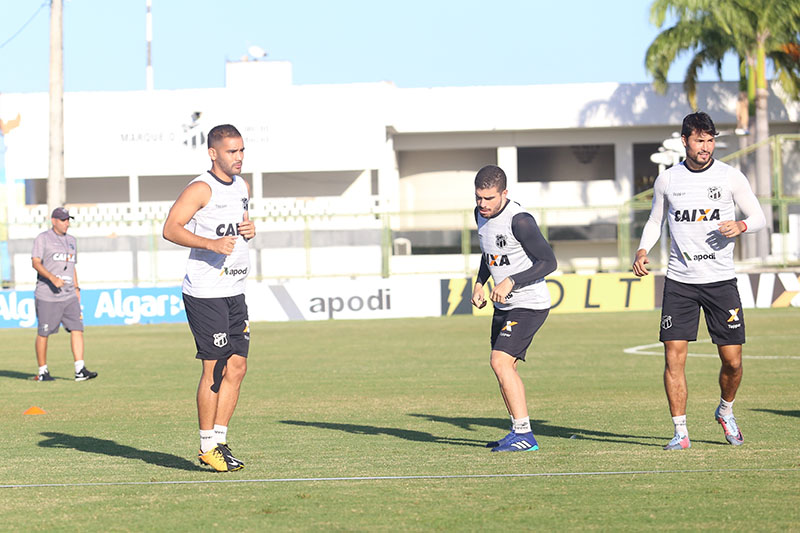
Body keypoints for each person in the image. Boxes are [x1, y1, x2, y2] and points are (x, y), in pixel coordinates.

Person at [632, 111, 766, 450]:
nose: (705, 147)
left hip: (721, 282)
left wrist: (742, 226)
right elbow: (655, 221)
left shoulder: (730, 177)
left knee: (733, 361)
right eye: (699, 140)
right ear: (685, 141)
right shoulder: (667, 181)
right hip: (679, 282)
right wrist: (642, 249)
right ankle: (680, 432)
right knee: (673, 358)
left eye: (709, 140)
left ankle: (726, 410)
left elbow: (759, 216)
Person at [163, 124, 256, 472]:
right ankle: (206, 446)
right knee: (214, 368)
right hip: (206, 293)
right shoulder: (201, 188)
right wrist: (210, 244)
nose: (239, 158)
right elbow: (171, 228)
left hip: (235, 289)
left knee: (237, 366)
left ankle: (220, 441)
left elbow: (238, 225)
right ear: (213, 153)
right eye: (232, 152)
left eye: (242, 150)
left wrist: (250, 229)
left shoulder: (242, 186)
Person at [470, 165, 557, 452]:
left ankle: (525, 435)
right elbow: (489, 254)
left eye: (490, 199)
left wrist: (511, 280)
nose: (483, 204)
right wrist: (480, 283)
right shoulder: (479, 214)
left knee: (499, 361)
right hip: (503, 305)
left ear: (504, 193)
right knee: (504, 368)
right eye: (479, 198)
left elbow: (549, 262)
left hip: (529, 304)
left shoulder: (520, 221)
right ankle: (517, 430)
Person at [31, 207, 98, 382]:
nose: (67, 223)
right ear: (54, 221)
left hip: (69, 294)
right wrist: (52, 278)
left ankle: (80, 369)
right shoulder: (43, 239)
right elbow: (35, 262)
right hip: (47, 294)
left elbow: (72, 266)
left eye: (68, 219)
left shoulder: (71, 241)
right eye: (63, 220)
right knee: (44, 332)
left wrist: (77, 289)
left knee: (77, 328)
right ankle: (43, 370)